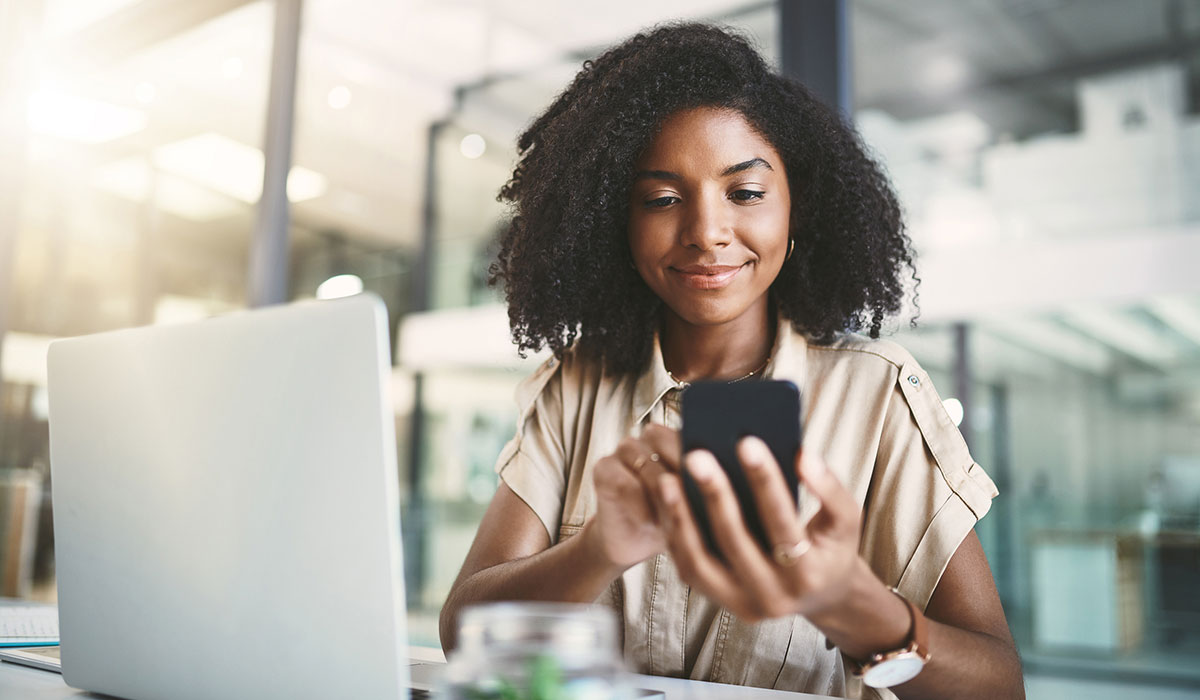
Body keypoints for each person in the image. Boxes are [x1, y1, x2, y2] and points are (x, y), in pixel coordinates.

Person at [439, 23, 1024, 700]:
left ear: (795, 208)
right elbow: (463, 631)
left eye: (744, 193)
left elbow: (998, 688)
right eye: (661, 200)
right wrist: (595, 549)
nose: (707, 232)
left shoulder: (878, 395)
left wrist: (851, 603)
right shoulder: (576, 387)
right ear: (614, 223)